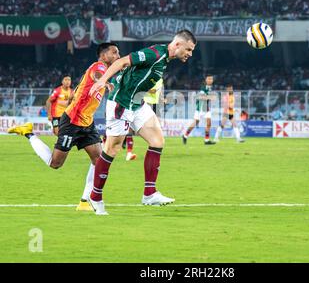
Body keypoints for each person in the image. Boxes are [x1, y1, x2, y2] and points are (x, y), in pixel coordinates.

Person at [88, 29, 197, 215]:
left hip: (137, 103)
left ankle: (149, 194)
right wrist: (102, 81)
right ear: (177, 44)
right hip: (121, 103)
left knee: (157, 141)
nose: (190, 54)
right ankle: (95, 196)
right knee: (112, 149)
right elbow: (122, 61)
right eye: (188, 49)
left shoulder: (164, 59)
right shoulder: (154, 53)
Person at [7, 43, 120, 211]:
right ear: (104, 55)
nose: (118, 56)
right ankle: (29, 133)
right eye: (114, 52)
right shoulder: (100, 67)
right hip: (73, 121)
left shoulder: (102, 72)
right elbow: (97, 76)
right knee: (55, 163)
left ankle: (85, 201)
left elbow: (77, 91)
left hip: (86, 123)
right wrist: (104, 82)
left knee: (99, 161)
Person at [182, 75, 216, 145]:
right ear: (206, 80)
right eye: (209, 79)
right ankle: (185, 135)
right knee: (195, 123)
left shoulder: (210, 88)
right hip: (200, 108)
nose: (210, 80)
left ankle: (206, 140)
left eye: (211, 79)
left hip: (206, 108)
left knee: (209, 123)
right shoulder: (203, 87)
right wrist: (210, 97)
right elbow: (200, 97)